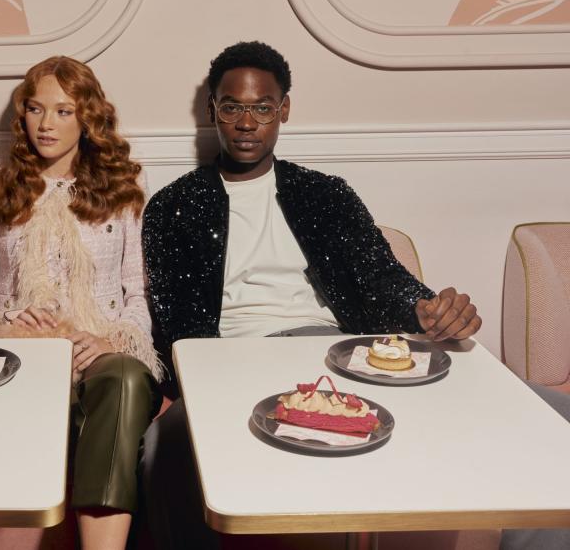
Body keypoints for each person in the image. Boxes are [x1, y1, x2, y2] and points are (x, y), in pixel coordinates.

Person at [139, 40, 567, 549]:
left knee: (542, 413)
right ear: (214, 110)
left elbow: (380, 275)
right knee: (160, 449)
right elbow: (175, 325)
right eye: (232, 107)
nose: (247, 123)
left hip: (335, 351)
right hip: (231, 361)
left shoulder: (325, 194)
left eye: (262, 107)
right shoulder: (175, 207)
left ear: (284, 110)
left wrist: (428, 310)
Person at [0, 55, 162, 550]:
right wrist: (3, 327)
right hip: (25, 357)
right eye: (36, 109)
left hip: (102, 353)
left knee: (124, 379)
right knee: (40, 395)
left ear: (88, 118)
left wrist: (109, 338)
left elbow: (138, 292)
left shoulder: (127, 186)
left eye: (63, 111)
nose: (46, 124)